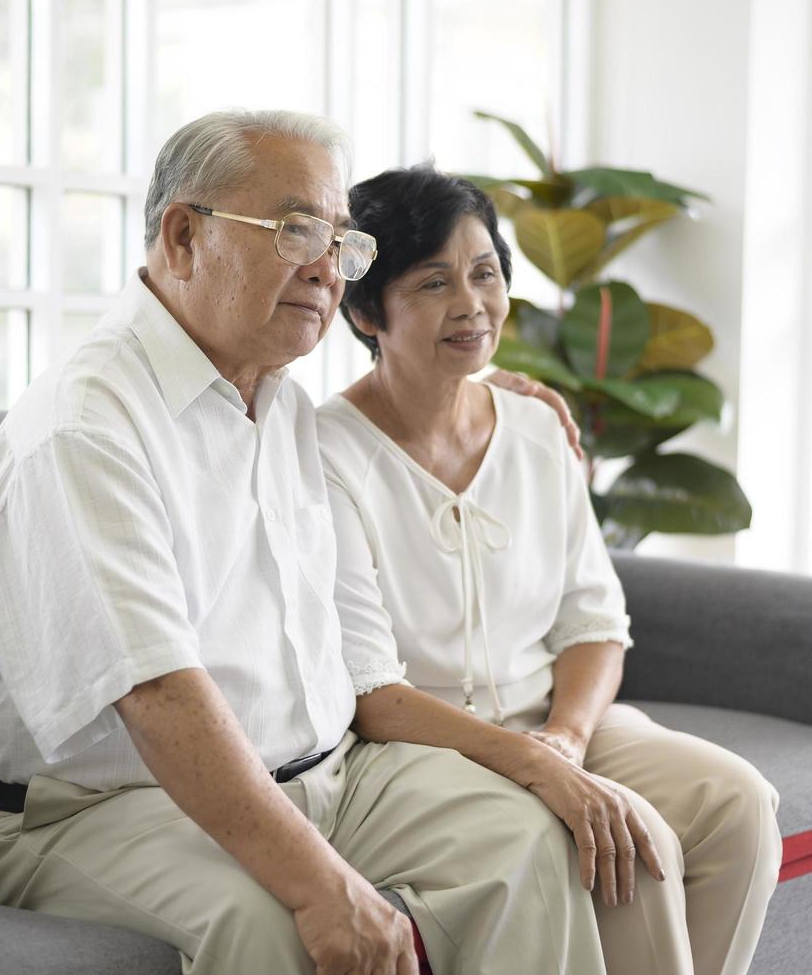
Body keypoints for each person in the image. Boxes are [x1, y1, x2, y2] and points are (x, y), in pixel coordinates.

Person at [0, 111, 609, 975]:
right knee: (271, 924)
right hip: (105, 807)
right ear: (184, 236)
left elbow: (403, 412)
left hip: (331, 780)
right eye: (296, 230)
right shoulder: (86, 426)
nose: (325, 267)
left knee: (529, 836)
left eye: (339, 241)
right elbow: (156, 695)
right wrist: (317, 886)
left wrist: (490, 388)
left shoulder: (281, 403)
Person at [317, 164, 784, 975]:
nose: (471, 304)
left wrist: (566, 736)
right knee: (621, 845)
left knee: (737, 803)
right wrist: (537, 761)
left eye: (485, 272)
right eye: (432, 282)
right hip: (421, 748)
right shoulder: (326, 453)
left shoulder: (536, 425)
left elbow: (593, 620)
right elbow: (371, 694)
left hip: (557, 720)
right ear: (365, 309)